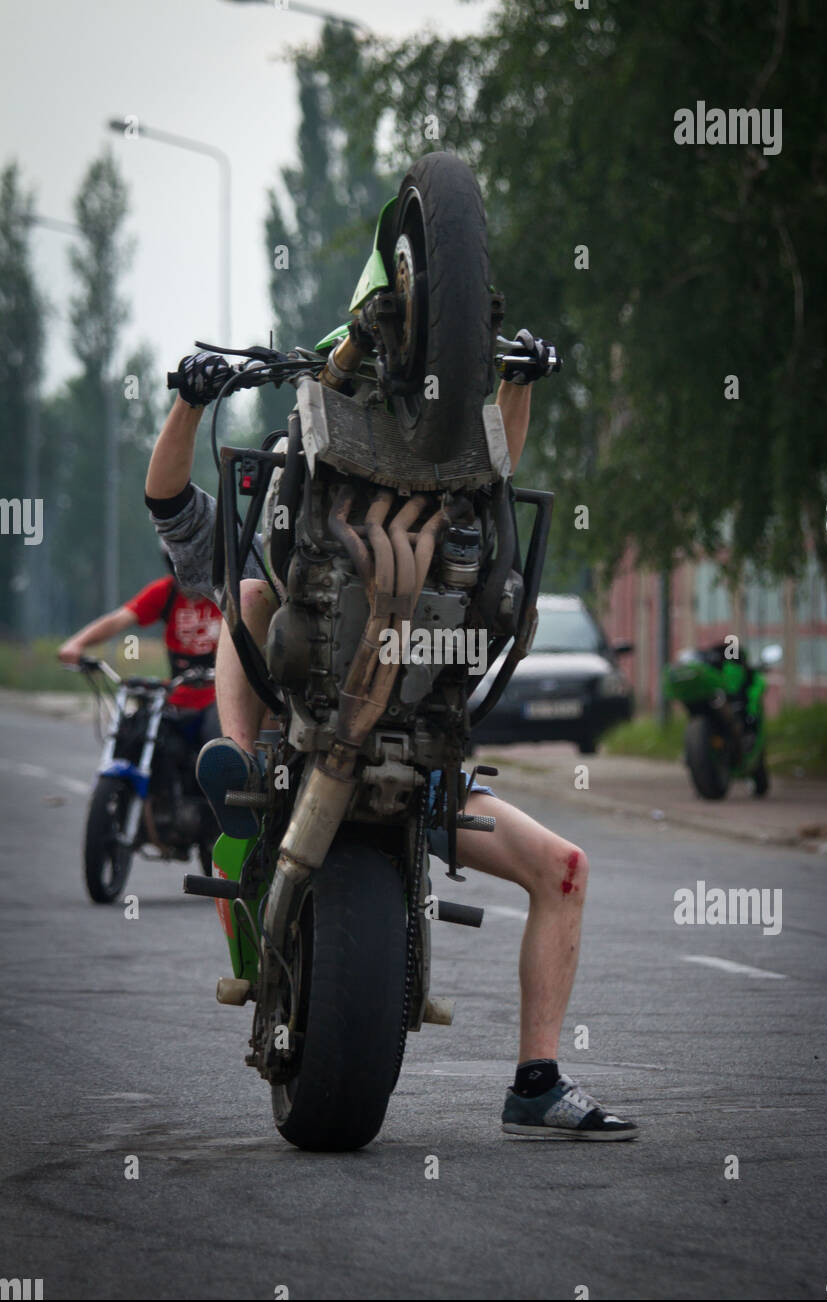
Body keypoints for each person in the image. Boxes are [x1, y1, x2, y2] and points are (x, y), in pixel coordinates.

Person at [144, 338, 638, 1142]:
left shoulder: (438, 515)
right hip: (286, 755)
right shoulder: (267, 538)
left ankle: (537, 1082)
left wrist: (517, 379)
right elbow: (167, 499)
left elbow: (496, 466)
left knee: (565, 870)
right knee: (245, 594)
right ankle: (241, 764)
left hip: (418, 761)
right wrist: (190, 400)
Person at [57, 549, 222, 745]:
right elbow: (118, 620)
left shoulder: (226, 594)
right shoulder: (165, 592)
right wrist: (77, 643)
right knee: (138, 739)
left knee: (219, 747)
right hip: (176, 696)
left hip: (219, 698)